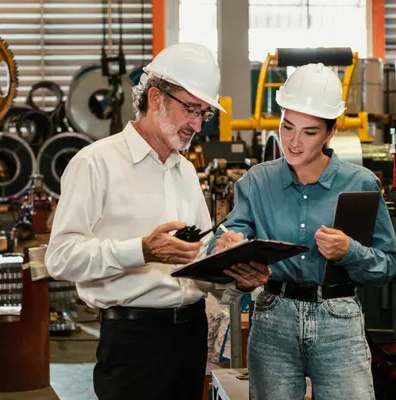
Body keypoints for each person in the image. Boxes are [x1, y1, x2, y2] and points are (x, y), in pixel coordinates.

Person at [44, 42, 271, 400]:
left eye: (204, 113)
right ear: (155, 97)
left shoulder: (184, 170)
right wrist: (143, 250)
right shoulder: (96, 164)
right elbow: (61, 257)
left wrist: (226, 264)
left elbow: (193, 261)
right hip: (134, 343)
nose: (197, 124)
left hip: (191, 337)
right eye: (190, 109)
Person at [208, 62, 396, 400]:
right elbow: (224, 242)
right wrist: (226, 247)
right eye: (287, 127)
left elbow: (389, 263)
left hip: (338, 321)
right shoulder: (257, 182)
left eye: (309, 132)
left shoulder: (360, 184)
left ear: (329, 133)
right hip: (273, 319)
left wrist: (350, 252)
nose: (293, 142)